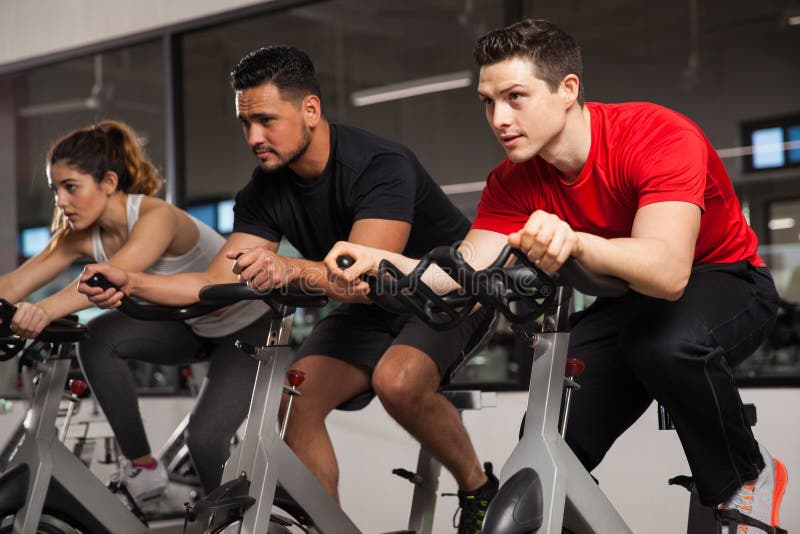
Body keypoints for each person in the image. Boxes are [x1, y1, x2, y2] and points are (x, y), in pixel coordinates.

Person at [325, 18, 787, 533]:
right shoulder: (511, 181)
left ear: (567, 90)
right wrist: (386, 266)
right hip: (629, 302)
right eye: (487, 101)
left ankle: (746, 474)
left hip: (726, 279)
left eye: (515, 97)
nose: (499, 118)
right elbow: (465, 270)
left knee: (662, 344)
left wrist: (577, 240)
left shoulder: (657, 135)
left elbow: (668, 273)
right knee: (548, 439)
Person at [78, 46, 498, 532]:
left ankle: (477, 487)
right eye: (244, 124)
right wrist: (133, 281)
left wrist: (288, 269)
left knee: (397, 380)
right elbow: (215, 280)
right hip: (370, 307)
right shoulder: (263, 191)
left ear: (311, 111)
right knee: (292, 399)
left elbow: (365, 276)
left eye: (266, 120)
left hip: (442, 296)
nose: (254, 137)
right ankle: (330, 528)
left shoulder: (379, 164)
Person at [0, 120, 270, 502]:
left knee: (206, 441)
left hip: (247, 327)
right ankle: (142, 468)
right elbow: (12, 285)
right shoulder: (78, 236)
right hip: (187, 326)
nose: (61, 201)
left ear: (109, 182)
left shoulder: (157, 217)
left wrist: (40, 312)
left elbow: (118, 275)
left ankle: (227, 525)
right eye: (55, 189)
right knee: (97, 339)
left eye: (71, 187)